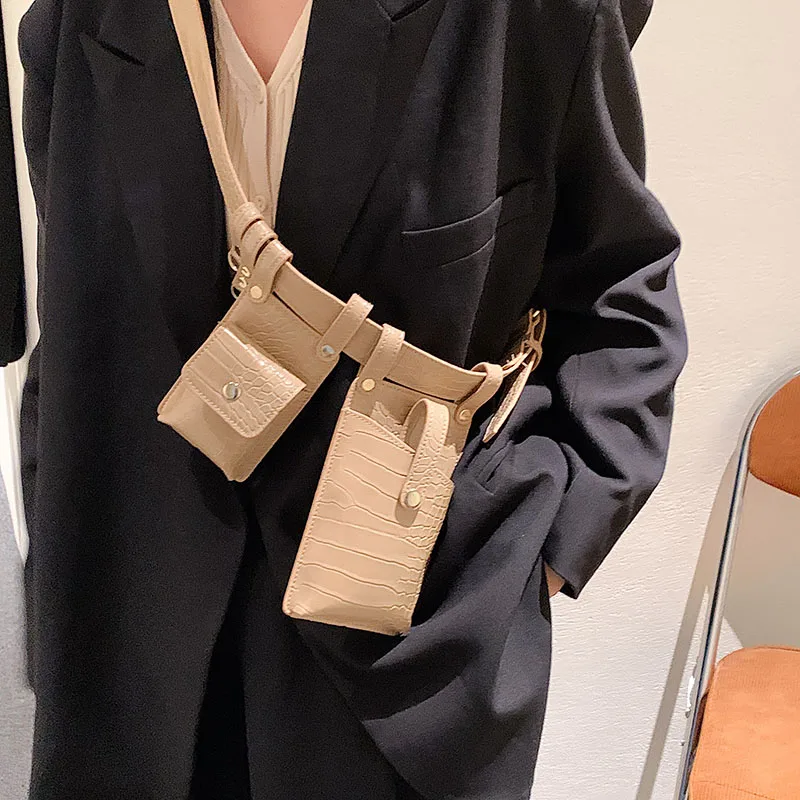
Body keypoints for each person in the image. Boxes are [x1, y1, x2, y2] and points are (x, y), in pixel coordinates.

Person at [16, 0, 687, 797]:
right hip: (132, 640)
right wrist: (57, 563)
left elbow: (620, 292)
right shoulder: (81, 21)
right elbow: (74, 320)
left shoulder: (528, 19)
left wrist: (532, 561)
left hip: (407, 640)